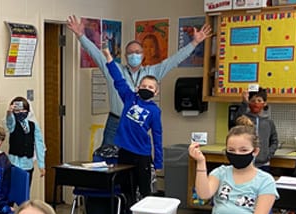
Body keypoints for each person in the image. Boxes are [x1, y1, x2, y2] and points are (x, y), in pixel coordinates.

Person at [67, 15, 211, 149]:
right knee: (107, 162)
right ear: (125, 55)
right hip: (115, 122)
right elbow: (96, 54)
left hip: (139, 122)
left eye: (137, 52)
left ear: (142, 55)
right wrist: (80, 36)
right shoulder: (114, 69)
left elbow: (174, 60)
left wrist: (195, 42)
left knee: (134, 162)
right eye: (130, 52)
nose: (134, 55)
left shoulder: (152, 72)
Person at [104, 46, 163, 203]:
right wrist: (109, 58)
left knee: (144, 191)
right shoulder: (130, 98)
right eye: (144, 86)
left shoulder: (155, 112)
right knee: (125, 189)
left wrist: (158, 161)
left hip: (142, 155)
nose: (146, 89)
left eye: (150, 87)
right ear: (137, 88)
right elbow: (118, 80)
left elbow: (157, 136)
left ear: (156, 92)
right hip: (125, 152)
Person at [5, 96, 46, 186]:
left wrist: (41, 165)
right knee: (14, 192)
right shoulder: (13, 124)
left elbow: (39, 144)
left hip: (28, 165)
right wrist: (9, 112)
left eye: (23, 110)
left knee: (25, 192)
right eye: (17, 110)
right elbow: (9, 123)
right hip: (14, 164)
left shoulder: (33, 125)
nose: (20, 112)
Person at [235, 88, 278, 171]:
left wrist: (268, 154)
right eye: (253, 100)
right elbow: (236, 121)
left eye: (259, 100)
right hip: (245, 162)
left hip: (263, 163)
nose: (256, 103)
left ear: (265, 103)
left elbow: (274, 140)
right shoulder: (244, 119)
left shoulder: (268, 121)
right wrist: (244, 102)